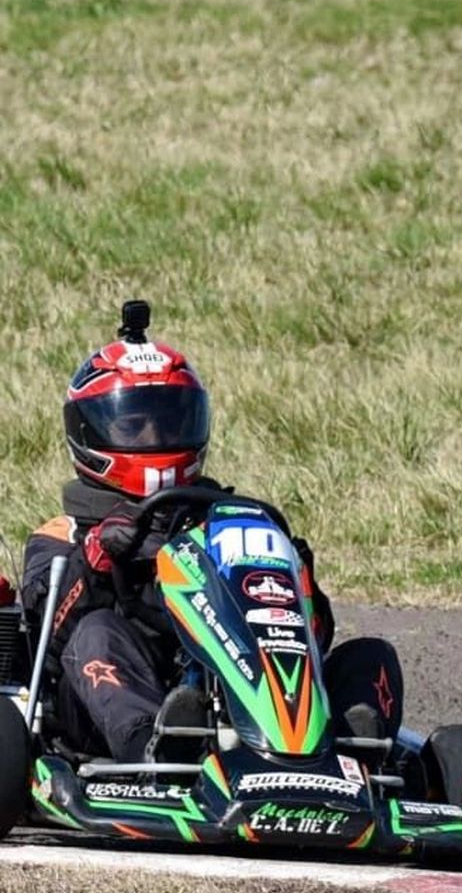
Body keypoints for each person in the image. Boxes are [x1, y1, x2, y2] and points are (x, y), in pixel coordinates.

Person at [21, 300, 404, 765]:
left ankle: (351, 751)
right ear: (89, 432)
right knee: (97, 633)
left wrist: (297, 582)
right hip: (107, 710)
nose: (152, 438)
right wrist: (95, 559)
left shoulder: (226, 521)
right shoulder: (63, 534)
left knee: (372, 656)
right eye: (133, 425)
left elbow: (314, 638)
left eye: (168, 421)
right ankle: (156, 747)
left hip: (233, 680)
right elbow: (48, 636)